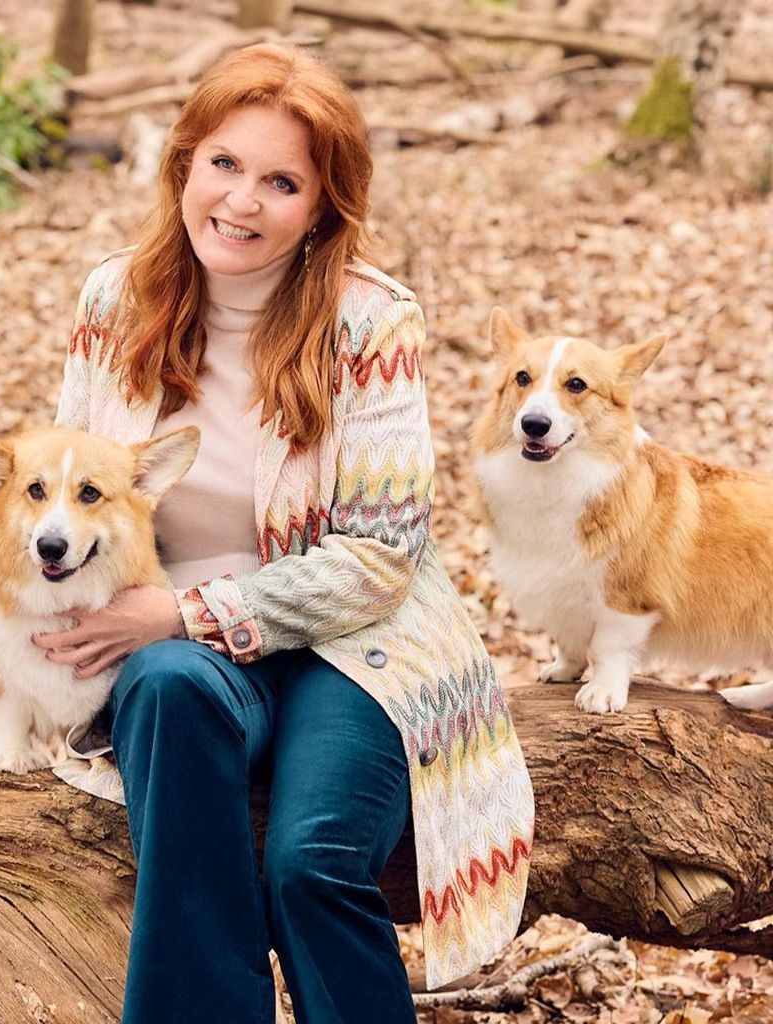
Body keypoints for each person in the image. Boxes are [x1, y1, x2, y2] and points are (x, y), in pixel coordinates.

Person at [37, 43, 535, 1024]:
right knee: (167, 685)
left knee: (311, 862)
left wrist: (186, 610)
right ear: (183, 162)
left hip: (354, 649)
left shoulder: (370, 322)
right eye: (224, 163)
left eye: (281, 182)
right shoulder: (113, 301)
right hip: (180, 661)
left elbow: (379, 559)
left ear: (320, 208)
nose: (242, 201)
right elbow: (61, 495)